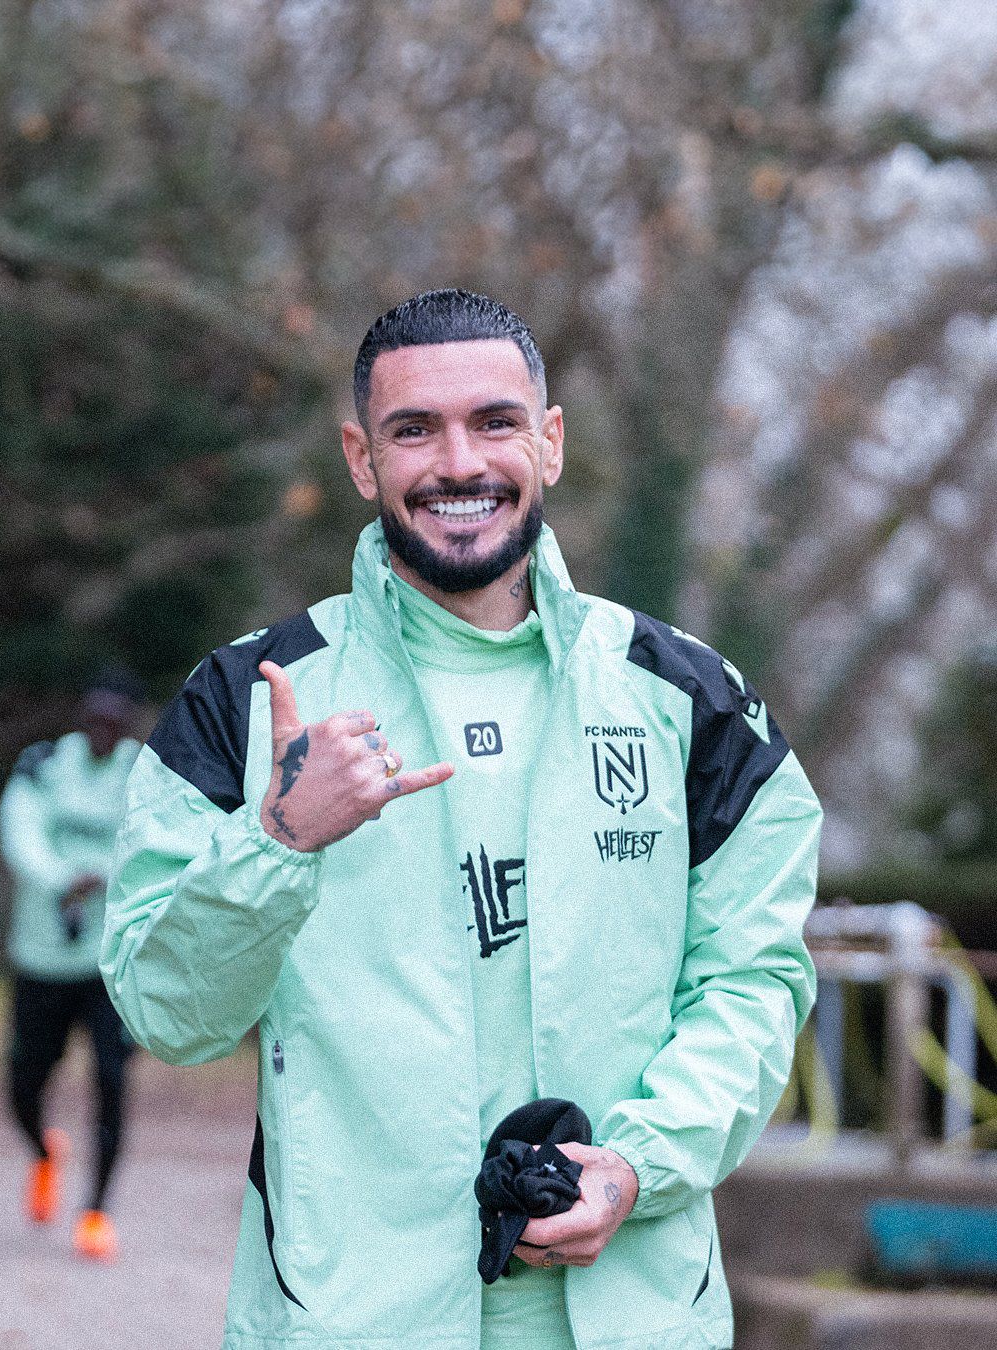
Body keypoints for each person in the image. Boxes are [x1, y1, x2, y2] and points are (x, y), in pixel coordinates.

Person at [102, 289, 821, 1348]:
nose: (458, 464)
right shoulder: (245, 698)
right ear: (361, 459)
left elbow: (754, 981)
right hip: (348, 1321)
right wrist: (277, 844)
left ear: (552, 440)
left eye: (494, 421)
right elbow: (165, 1013)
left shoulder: (692, 703)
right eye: (413, 430)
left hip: (633, 1315)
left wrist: (639, 1164)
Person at [0, 669, 143, 1263]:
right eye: (96, 716)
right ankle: (42, 1151)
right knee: (22, 1084)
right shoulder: (43, 765)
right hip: (42, 957)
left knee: (111, 1082)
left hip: (110, 962)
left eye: (117, 717)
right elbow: (21, 835)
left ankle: (96, 1211)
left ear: (130, 720)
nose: (105, 728)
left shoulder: (146, 770)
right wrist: (65, 880)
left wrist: (113, 879)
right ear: (83, 716)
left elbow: (158, 840)